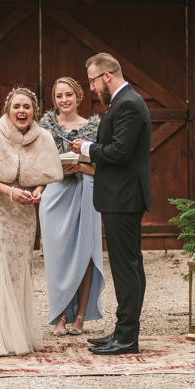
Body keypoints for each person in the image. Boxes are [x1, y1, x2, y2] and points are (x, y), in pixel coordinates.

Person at [0, 87, 63, 357]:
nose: (22, 111)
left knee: (18, 268)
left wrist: (39, 191)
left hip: (24, 213)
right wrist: (10, 192)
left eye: (27, 107)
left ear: (34, 112)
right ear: (8, 109)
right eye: (17, 106)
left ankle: (15, 335)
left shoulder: (42, 137)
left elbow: (46, 174)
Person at [70, 52, 152, 356]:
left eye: (92, 80)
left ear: (107, 76)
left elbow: (120, 152)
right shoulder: (122, 102)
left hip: (125, 198)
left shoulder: (129, 103)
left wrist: (86, 147)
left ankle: (127, 339)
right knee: (127, 266)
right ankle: (122, 332)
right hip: (121, 196)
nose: (90, 87)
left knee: (126, 268)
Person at [38, 77, 104, 336]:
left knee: (85, 252)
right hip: (55, 193)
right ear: (54, 100)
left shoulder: (93, 128)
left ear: (78, 97)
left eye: (68, 95)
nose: (64, 100)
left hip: (84, 191)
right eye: (58, 96)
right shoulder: (43, 130)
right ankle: (60, 315)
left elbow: (103, 168)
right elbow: (36, 165)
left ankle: (80, 316)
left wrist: (81, 167)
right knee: (56, 254)